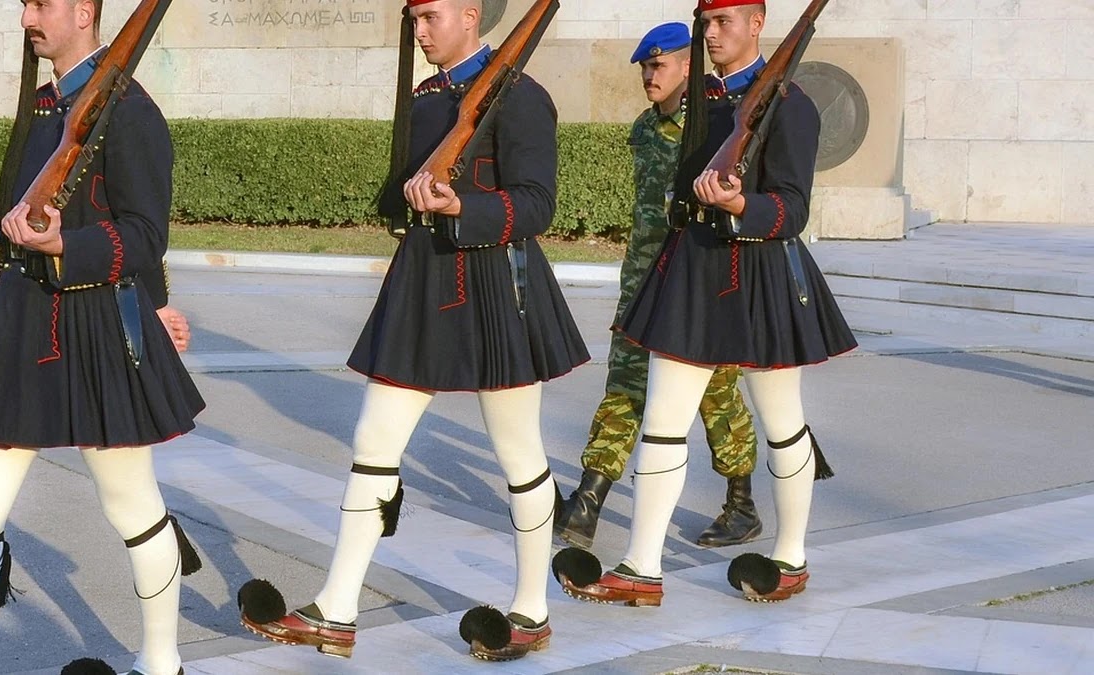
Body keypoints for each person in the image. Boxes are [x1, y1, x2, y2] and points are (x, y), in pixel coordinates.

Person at [237, 0, 588, 662]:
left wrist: (466, 205)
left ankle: (533, 610)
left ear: (469, 14)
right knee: (374, 439)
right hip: (426, 278)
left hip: (496, 284)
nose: (419, 31)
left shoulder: (520, 95)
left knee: (517, 450)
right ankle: (337, 609)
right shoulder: (428, 96)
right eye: (415, 18)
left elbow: (538, 202)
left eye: (430, 17)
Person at [0, 1, 205, 674]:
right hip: (26, 318)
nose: (27, 18)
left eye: (41, 4)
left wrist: (70, 248)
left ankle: (162, 662)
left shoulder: (129, 110)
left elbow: (143, 233)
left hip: (97, 320)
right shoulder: (48, 105)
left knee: (131, 501)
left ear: (84, 11)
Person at [554, 0, 856, 606]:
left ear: (757, 24)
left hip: (760, 272)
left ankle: (791, 558)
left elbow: (792, 208)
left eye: (724, 22)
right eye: (706, 23)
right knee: (663, 423)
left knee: (780, 423)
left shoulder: (789, 105)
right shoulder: (701, 104)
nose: (712, 34)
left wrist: (744, 205)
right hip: (693, 269)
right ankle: (641, 567)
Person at [555, 21, 762, 552]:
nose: (649, 75)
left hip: (696, 283)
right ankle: (588, 498)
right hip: (643, 280)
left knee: (716, 393)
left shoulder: (715, 125)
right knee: (624, 382)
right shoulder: (645, 129)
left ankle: (741, 502)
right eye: (645, 66)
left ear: (687, 67)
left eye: (659, 65)